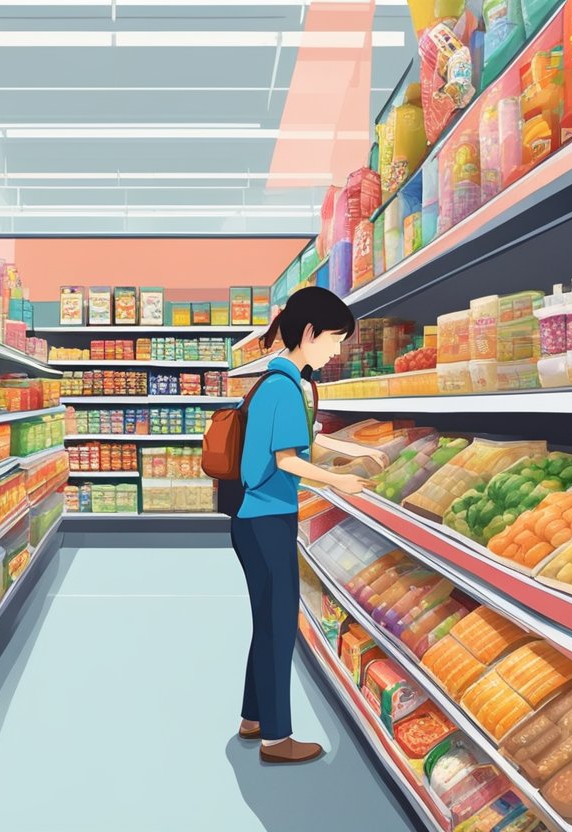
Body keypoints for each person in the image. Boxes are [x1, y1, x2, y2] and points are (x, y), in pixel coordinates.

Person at [230, 285, 378, 764]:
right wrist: (339, 483)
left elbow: (307, 442)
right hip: (268, 520)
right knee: (276, 627)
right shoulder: (285, 387)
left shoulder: (279, 383)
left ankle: (253, 719)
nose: (338, 350)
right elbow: (288, 460)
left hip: (255, 520)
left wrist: (356, 450)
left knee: (265, 623)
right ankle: (277, 739)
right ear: (309, 333)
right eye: (335, 338)